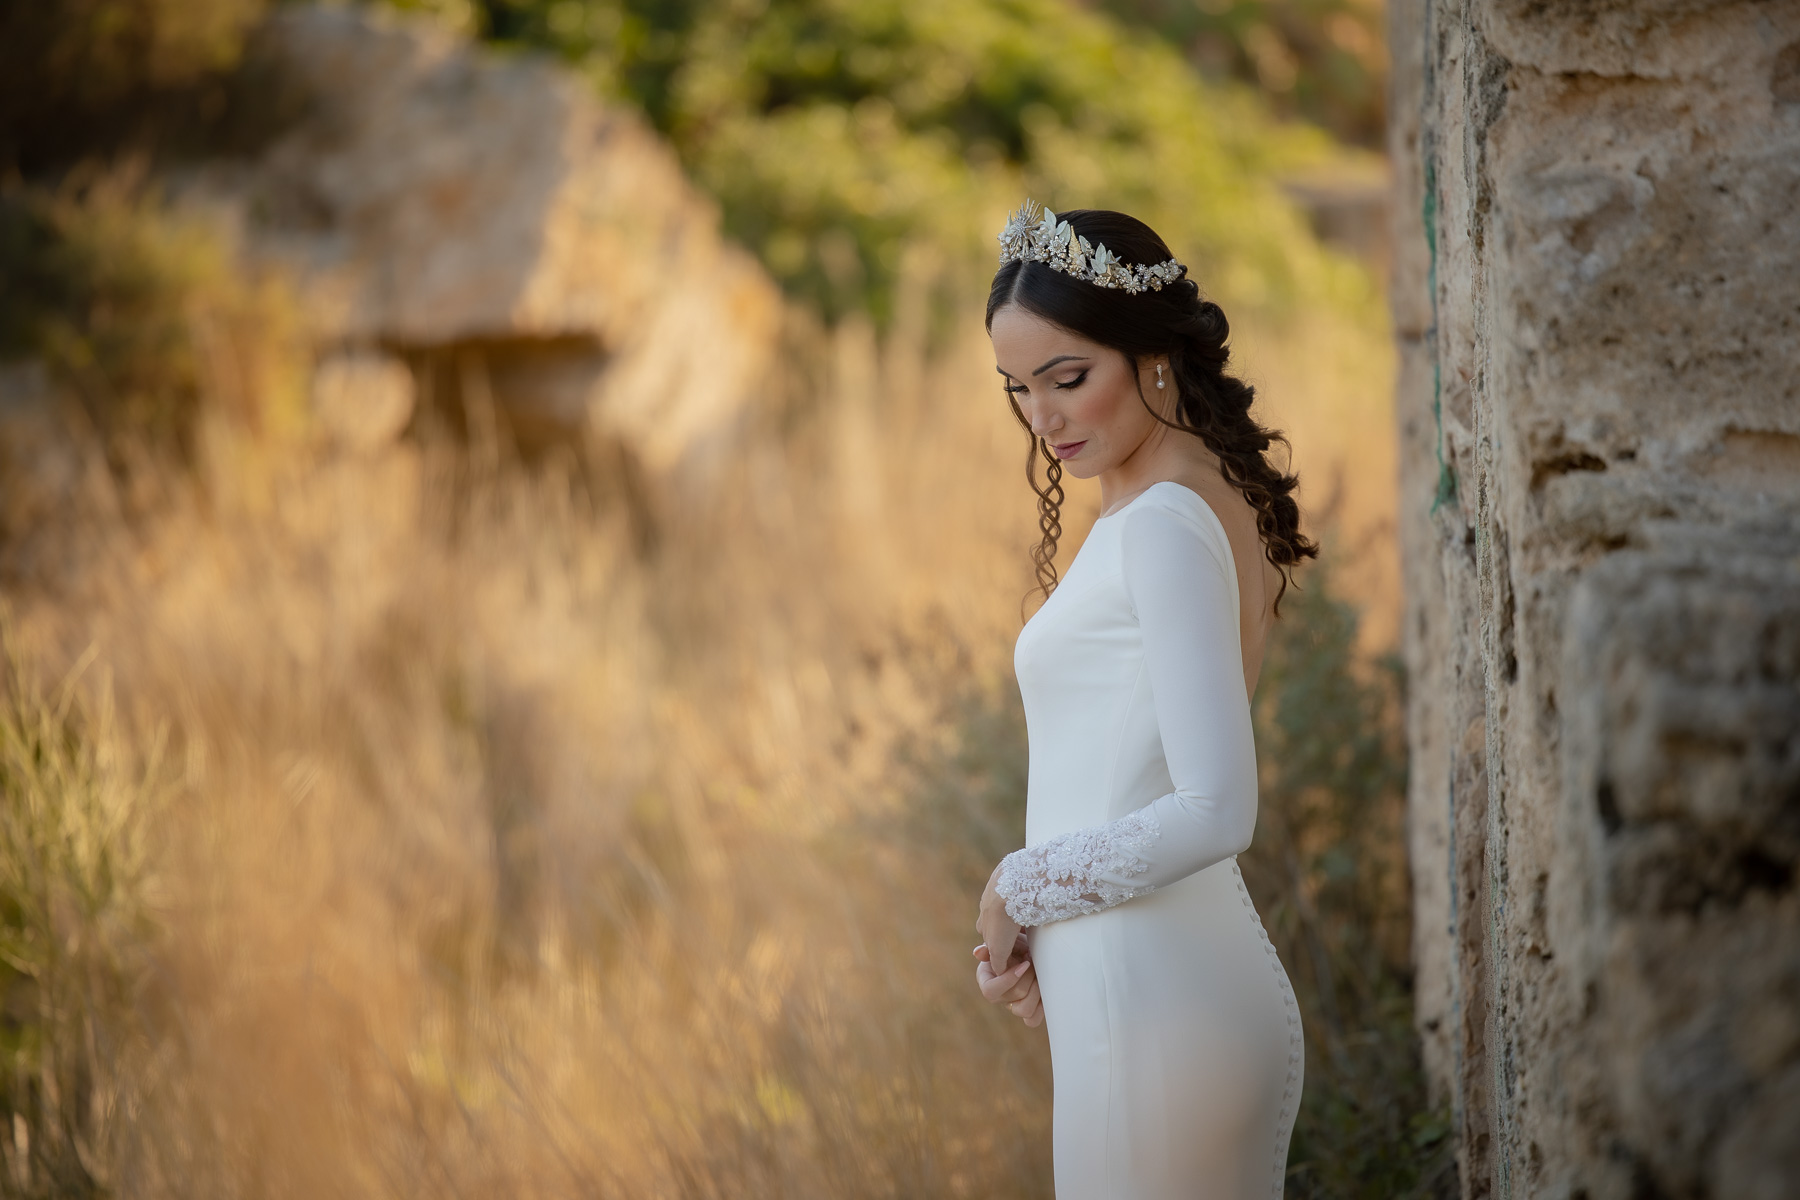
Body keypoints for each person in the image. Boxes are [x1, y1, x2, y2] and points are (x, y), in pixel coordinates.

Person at [970, 202, 1318, 1199]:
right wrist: (1050, 932)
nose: (1044, 419)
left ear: (1151, 353)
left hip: (1160, 1006)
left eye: (1069, 379)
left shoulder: (1165, 519)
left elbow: (1217, 807)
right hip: (1141, 986)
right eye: (1020, 389)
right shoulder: (1159, 496)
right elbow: (1127, 775)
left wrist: (1021, 885)